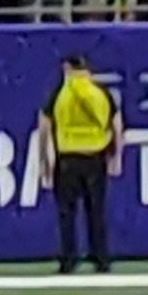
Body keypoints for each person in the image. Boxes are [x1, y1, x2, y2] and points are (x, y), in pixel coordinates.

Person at [38, 52, 117, 276]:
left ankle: (69, 259)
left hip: (68, 158)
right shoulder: (100, 93)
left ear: (67, 68)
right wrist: (115, 155)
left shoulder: (59, 94)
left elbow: (44, 127)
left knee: (67, 213)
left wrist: (44, 160)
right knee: (96, 211)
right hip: (95, 156)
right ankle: (101, 259)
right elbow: (116, 124)